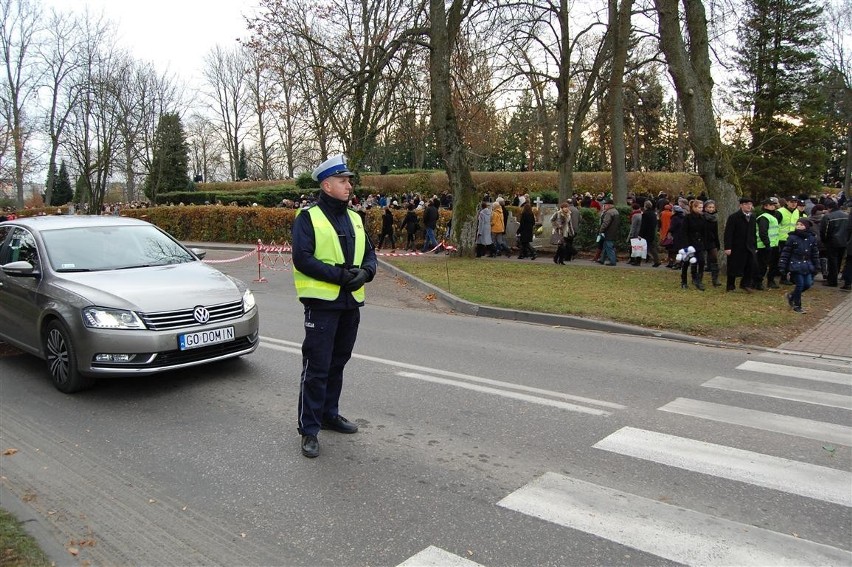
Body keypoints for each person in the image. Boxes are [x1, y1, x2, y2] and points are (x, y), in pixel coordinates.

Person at [290, 154, 378, 458]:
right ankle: (309, 429)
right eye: (343, 180)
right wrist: (343, 277)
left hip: (349, 304)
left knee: (338, 362)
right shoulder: (308, 217)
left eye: (349, 180)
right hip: (322, 305)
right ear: (326, 185)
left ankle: (329, 414)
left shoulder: (355, 217)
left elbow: (370, 254)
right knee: (316, 367)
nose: (349, 185)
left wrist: (365, 273)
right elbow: (303, 259)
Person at [778, 218, 820, 313]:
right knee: (800, 285)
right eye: (798, 224)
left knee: (808, 284)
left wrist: (817, 265)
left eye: (802, 225)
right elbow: (786, 253)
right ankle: (797, 305)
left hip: (807, 265)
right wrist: (782, 265)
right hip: (795, 265)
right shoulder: (792, 238)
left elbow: (815, 254)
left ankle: (792, 296)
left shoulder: (811, 238)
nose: (799, 227)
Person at [724, 197, 758, 292]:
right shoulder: (734, 217)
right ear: (741, 205)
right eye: (746, 204)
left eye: (750, 204)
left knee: (750, 265)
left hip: (749, 245)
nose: (749, 206)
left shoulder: (753, 217)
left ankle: (745, 284)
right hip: (736, 245)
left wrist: (755, 246)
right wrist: (728, 247)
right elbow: (728, 233)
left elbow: (753, 232)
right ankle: (730, 285)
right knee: (733, 265)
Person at [678, 199, 709, 290]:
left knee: (701, 261)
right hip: (689, 242)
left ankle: (698, 280)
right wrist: (686, 245)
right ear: (694, 207)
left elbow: (704, 232)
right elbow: (684, 232)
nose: (701, 209)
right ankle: (684, 281)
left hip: (698, 242)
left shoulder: (702, 218)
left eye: (702, 207)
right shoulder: (687, 218)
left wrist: (704, 242)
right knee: (686, 262)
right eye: (699, 207)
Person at [820, 200, 849, 287]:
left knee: (832, 261)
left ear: (829, 208)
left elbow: (824, 231)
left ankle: (832, 280)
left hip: (832, 242)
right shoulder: (846, 216)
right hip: (844, 241)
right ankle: (834, 278)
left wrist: (824, 241)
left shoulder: (828, 217)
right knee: (839, 260)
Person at [754, 197, 781, 290]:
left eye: (774, 205)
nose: (773, 206)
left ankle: (770, 281)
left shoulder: (773, 216)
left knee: (773, 265)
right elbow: (763, 232)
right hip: (764, 246)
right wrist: (767, 244)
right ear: (765, 206)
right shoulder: (764, 217)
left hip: (774, 245)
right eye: (771, 205)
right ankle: (758, 282)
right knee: (762, 266)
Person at [776, 196, 801, 284]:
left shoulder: (797, 211)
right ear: (787, 202)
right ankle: (783, 277)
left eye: (795, 202)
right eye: (791, 202)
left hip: (793, 239)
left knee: (792, 259)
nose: (794, 204)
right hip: (782, 239)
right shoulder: (780, 212)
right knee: (783, 259)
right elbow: (776, 226)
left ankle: (790, 277)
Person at [702, 199, 722, 286]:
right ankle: (698, 278)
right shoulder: (702, 217)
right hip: (702, 240)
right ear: (705, 208)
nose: (711, 209)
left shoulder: (715, 219)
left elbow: (715, 232)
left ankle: (715, 279)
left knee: (714, 258)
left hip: (711, 241)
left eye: (712, 207)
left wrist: (717, 243)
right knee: (701, 259)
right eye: (709, 207)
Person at [598, 198, 620, 266]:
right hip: (614, 231)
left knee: (609, 246)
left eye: (606, 205)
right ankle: (602, 259)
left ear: (609, 205)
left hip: (608, 232)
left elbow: (605, 223)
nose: (605, 206)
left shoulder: (609, 213)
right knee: (606, 246)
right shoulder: (616, 211)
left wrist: (600, 230)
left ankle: (612, 261)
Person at [639, 200, 661, 267]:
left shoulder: (645, 214)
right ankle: (656, 260)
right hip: (651, 232)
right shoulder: (653, 214)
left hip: (646, 233)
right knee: (651, 247)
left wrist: (640, 234)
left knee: (647, 247)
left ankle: (656, 260)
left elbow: (643, 225)